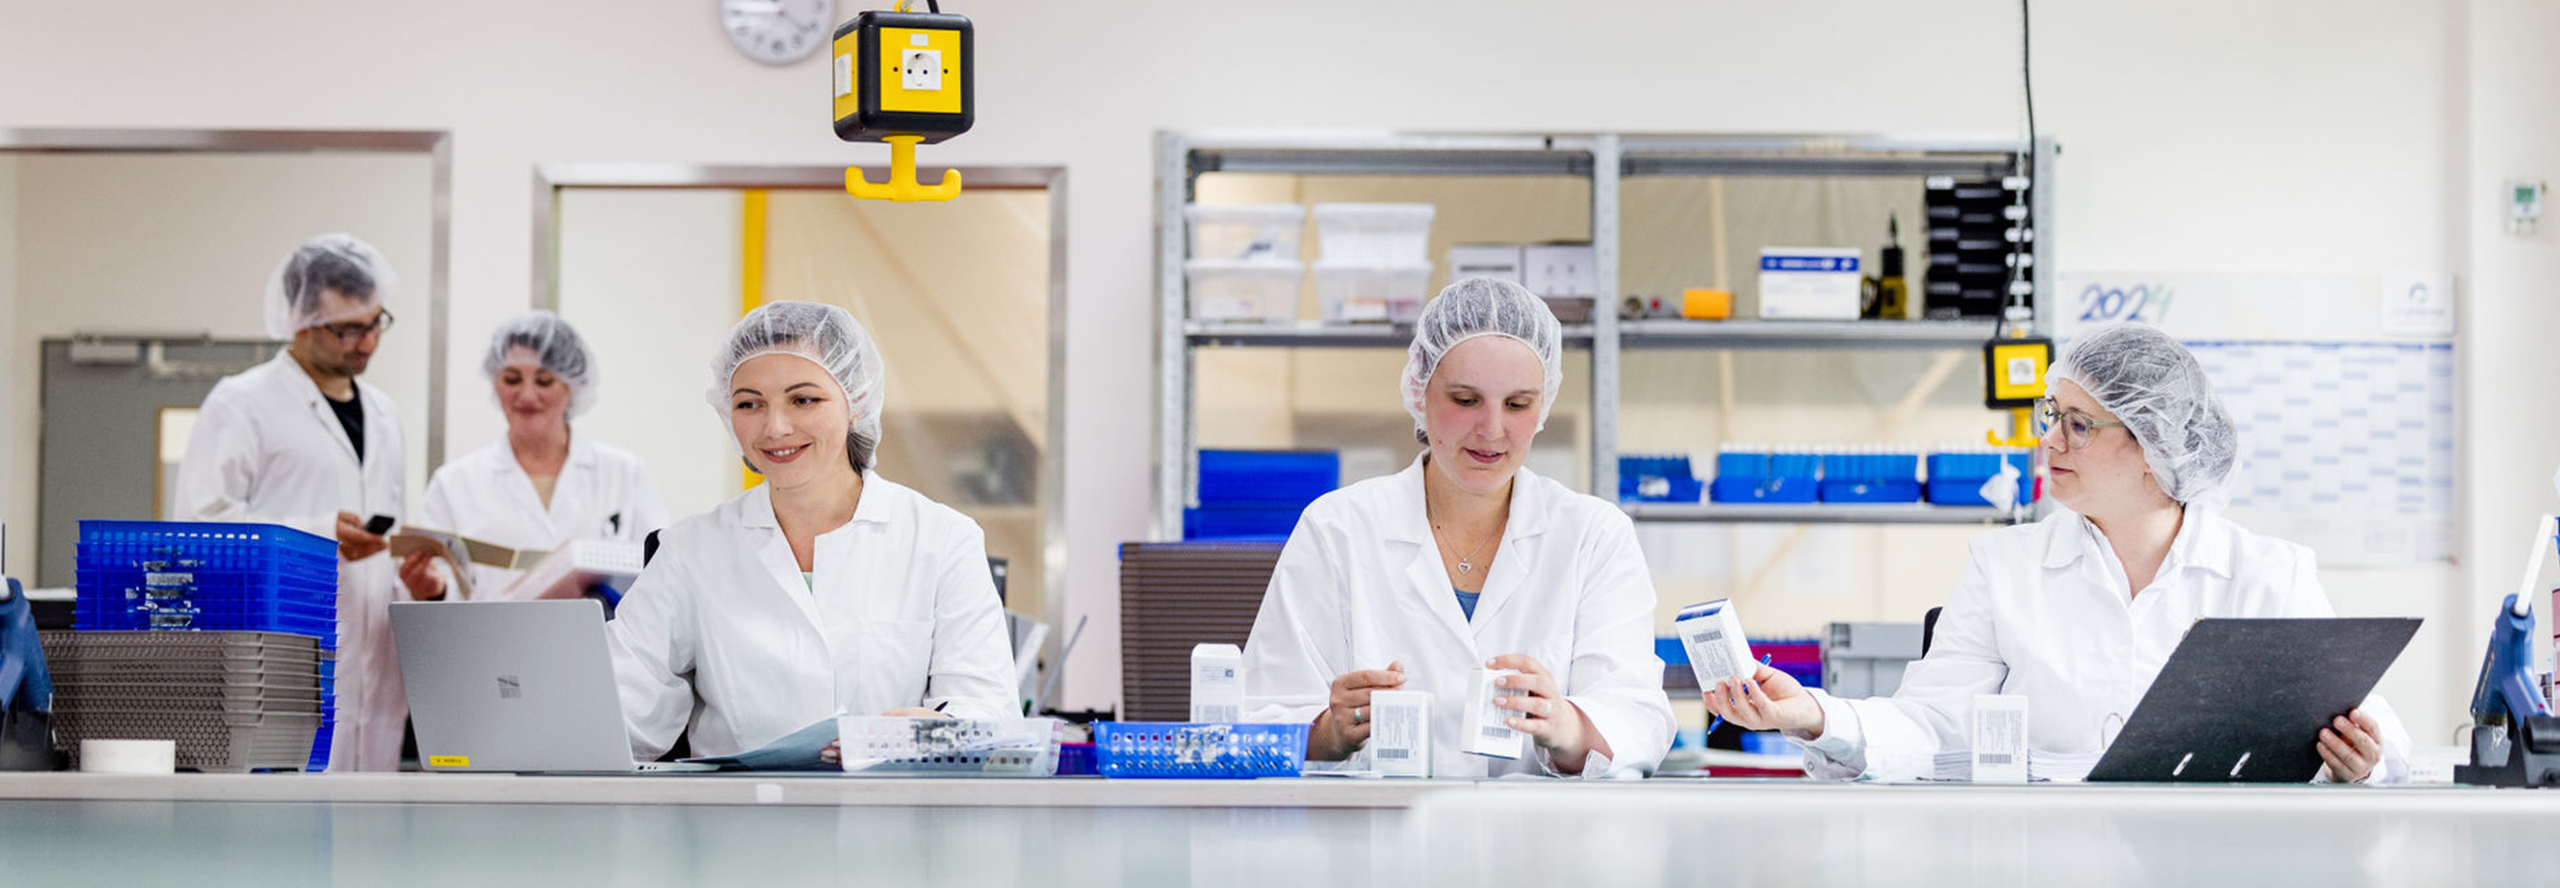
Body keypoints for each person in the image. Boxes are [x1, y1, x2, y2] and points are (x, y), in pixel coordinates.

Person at [1705, 323, 2413, 783]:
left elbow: (2384, 736)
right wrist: (1814, 717)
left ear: (2153, 447)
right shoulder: (2004, 567)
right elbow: (1928, 725)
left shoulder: (2267, 575)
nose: (2051, 442)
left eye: (2078, 425)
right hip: (2042, 858)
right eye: (2052, 418)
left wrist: (2366, 760)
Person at [1242, 278, 1675, 778]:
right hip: (1373, 842)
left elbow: (1638, 719)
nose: (1491, 429)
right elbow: (1258, 719)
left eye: (1517, 405)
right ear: (1419, 393)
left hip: (1540, 847)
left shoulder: (1594, 536)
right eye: (1466, 400)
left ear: (1543, 406)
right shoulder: (1337, 529)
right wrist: (1328, 732)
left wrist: (1566, 725)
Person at [606, 301, 1015, 760]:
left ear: (855, 401)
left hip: (892, 817)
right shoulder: (689, 550)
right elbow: (619, 714)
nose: (775, 427)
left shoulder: (942, 539)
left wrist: (928, 733)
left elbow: (988, 717)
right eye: (749, 404)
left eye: (804, 399)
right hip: (736, 821)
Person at [173, 233, 414, 772]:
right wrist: (317, 533)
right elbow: (196, 529)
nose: (368, 342)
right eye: (347, 329)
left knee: (372, 841)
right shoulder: (243, 403)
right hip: (279, 664)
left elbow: (384, 545)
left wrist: (413, 581)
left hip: (375, 673)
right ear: (297, 319)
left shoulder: (385, 414)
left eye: (375, 322)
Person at [403, 311, 667, 601]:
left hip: (598, 644)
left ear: (572, 386)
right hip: (493, 644)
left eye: (544, 381)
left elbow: (657, 574)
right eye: (512, 379)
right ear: (495, 382)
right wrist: (433, 589)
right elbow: (439, 589)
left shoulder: (625, 474)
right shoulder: (454, 483)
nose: (527, 395)